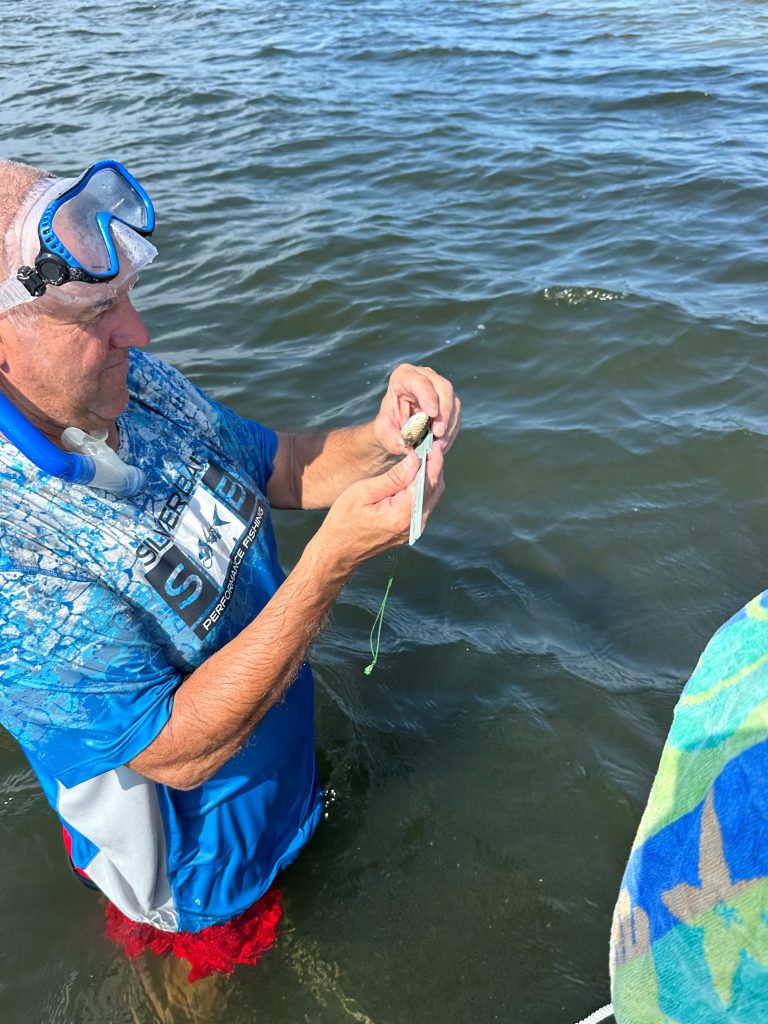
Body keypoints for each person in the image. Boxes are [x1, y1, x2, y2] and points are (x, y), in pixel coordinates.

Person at [0, 158, 461, 979]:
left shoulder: (132, 387)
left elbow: (275, 464)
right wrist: (330, 563)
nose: (136, 335)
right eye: (98, 316)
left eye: (128, 302)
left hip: (278, 772)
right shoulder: (15, 549)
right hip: (197, 874)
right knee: (206, 980)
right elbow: (172, 752)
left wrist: (382, 438)